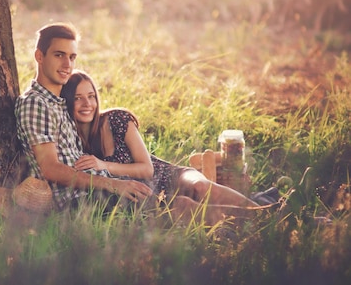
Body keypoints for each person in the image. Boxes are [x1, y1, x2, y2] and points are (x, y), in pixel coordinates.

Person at [60, 70, 266, 215]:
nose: (87, 104)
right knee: (183, 205)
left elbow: (147, 169)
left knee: (201, 187)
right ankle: (259, 220)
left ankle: (262, 213)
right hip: (149, 195)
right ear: (68, 101)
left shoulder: (117, 120)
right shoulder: (71, 141)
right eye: (78, 98)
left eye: (91, 96)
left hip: (167, 175)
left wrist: (103, 164)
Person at [14, 23, 154, 212]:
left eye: (72, 57)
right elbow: (50, 168)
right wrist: (110, 184)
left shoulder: (59, 103)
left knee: (180, 201)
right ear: (39, 56)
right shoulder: (36, 103)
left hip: (98, 189)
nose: (67, 65)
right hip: (81, 199)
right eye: (59, 55)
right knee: (179, 207)